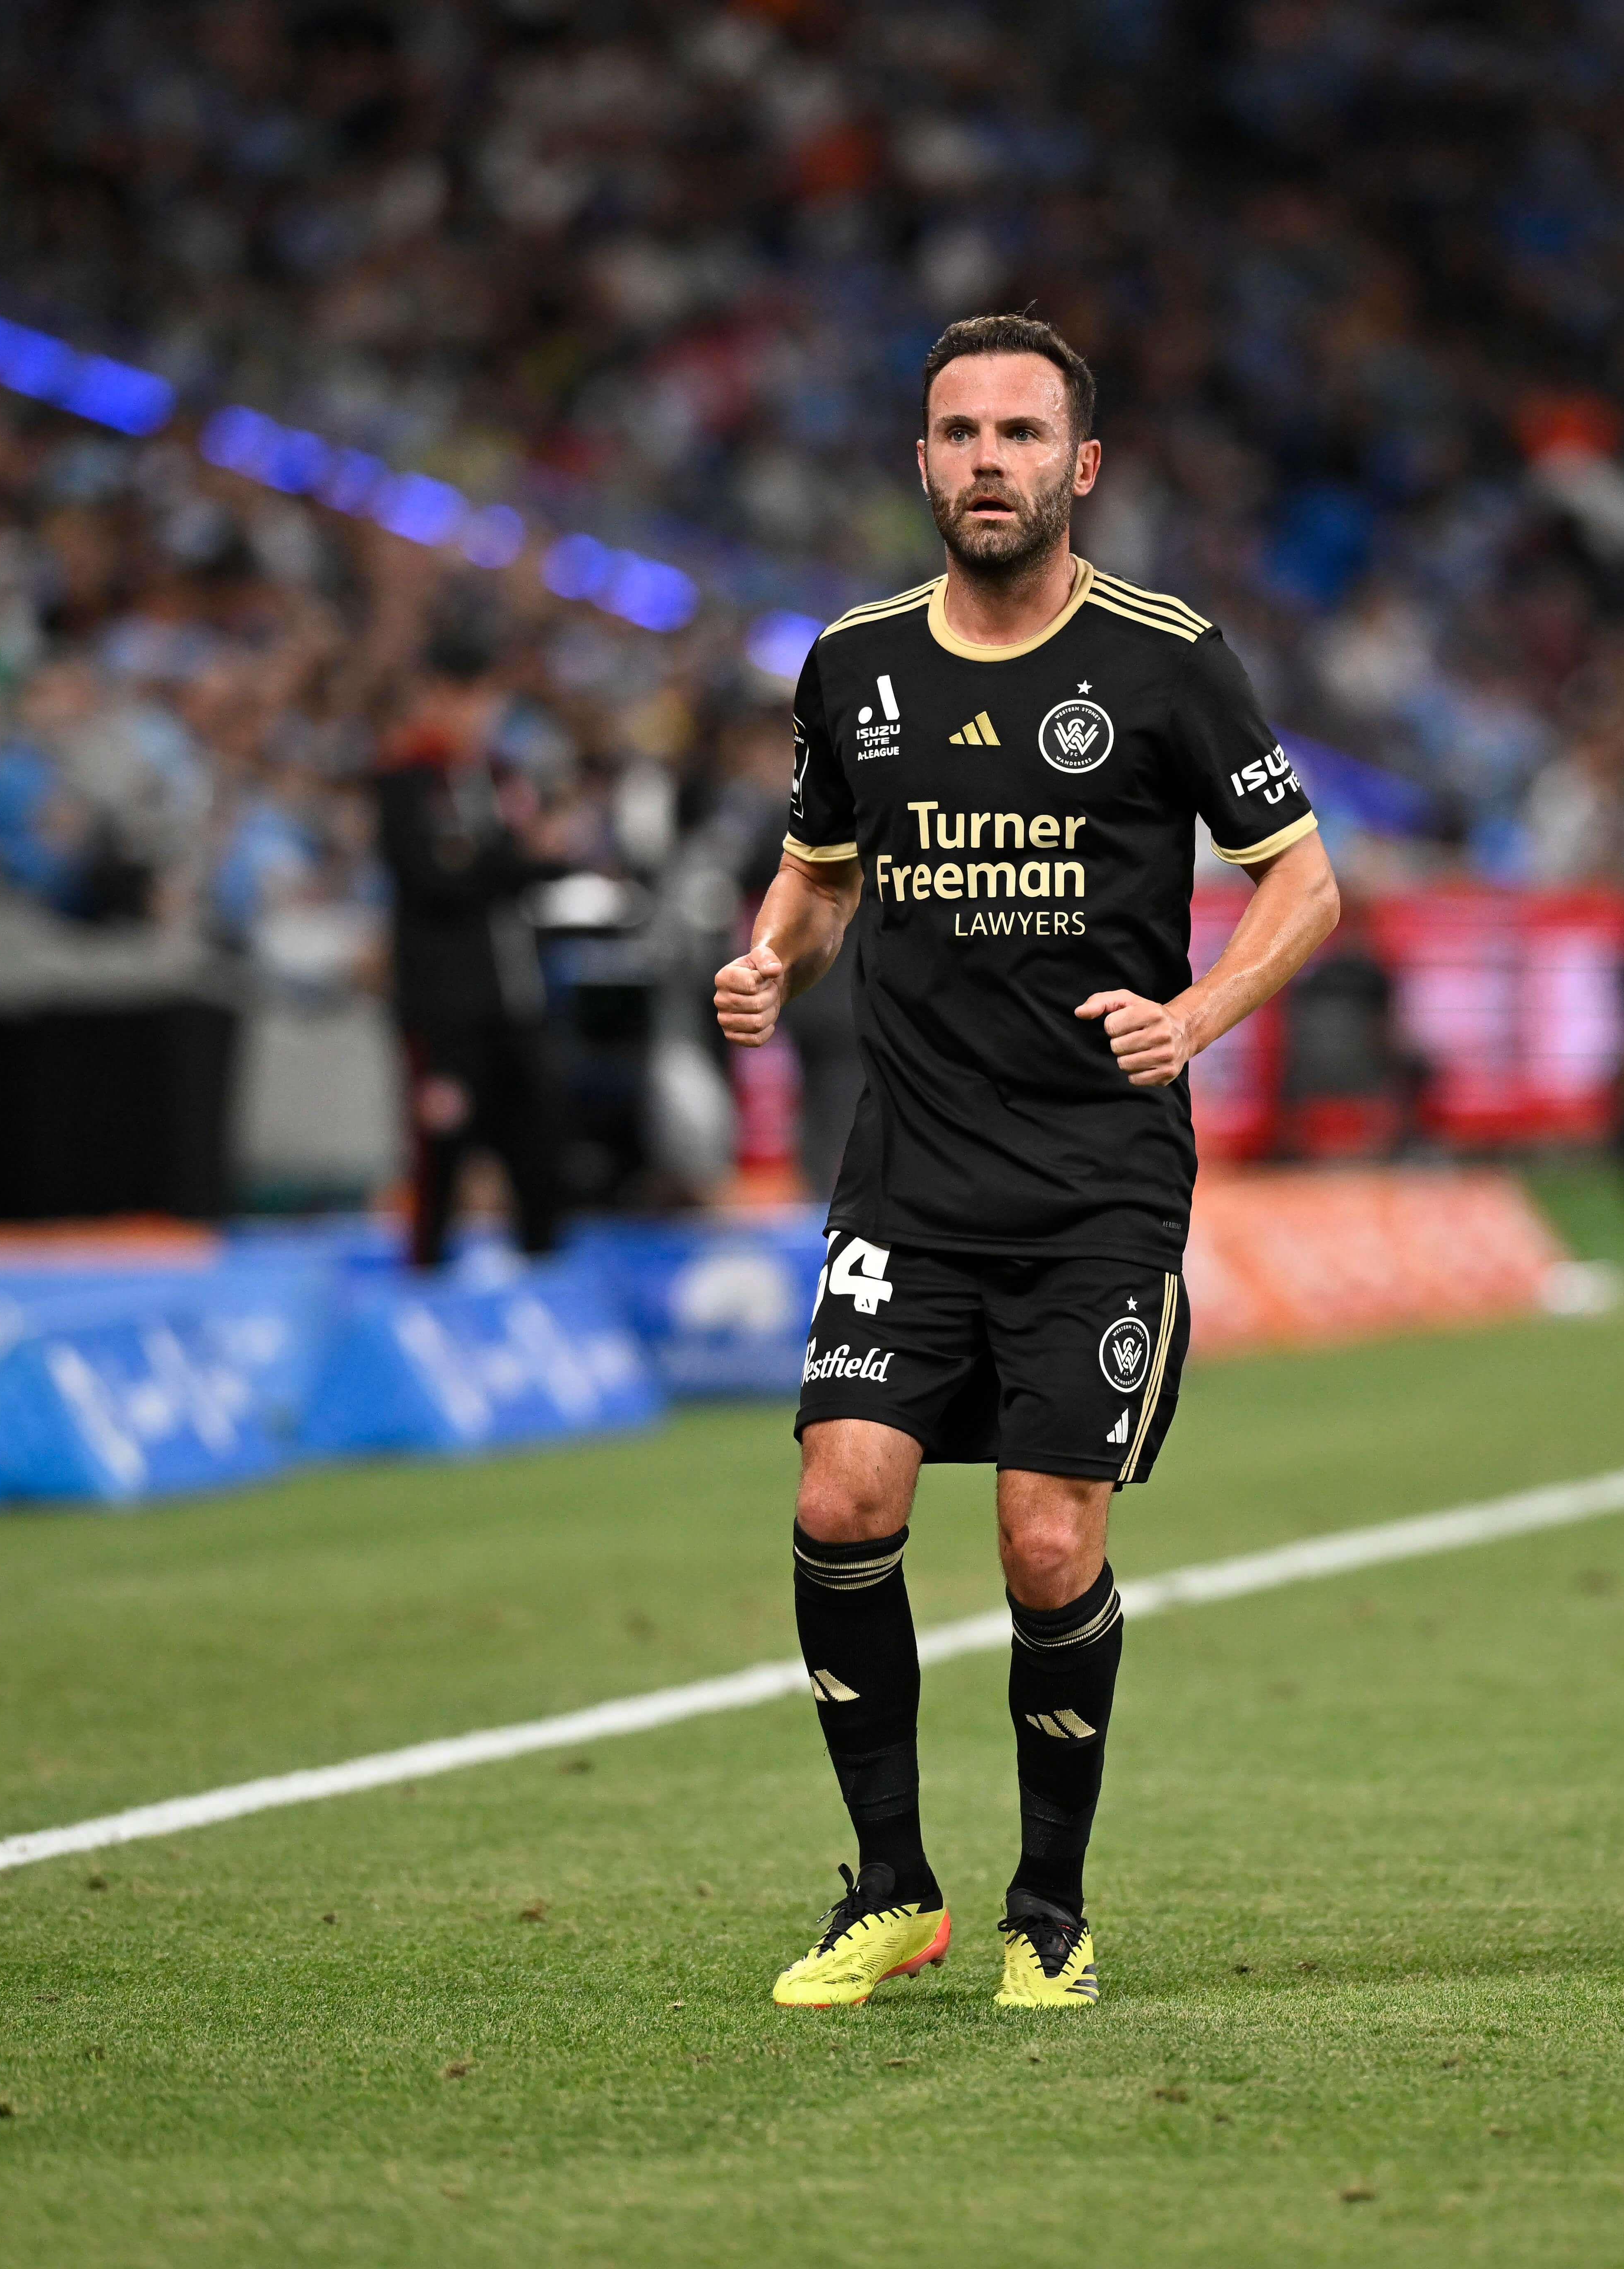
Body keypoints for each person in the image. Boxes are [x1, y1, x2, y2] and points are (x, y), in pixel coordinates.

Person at [713, 314, 1340, 2011]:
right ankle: (889, 1883)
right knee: (842, 1495)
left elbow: (1305, 880)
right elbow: (822, 870)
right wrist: (774, 956)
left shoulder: (1166, 656)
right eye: (958, 433)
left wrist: (1198, 1013)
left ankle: (1047, 1902)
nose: (988, 461)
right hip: (908, 1168)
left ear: (1084, 466)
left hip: (1095, 1183)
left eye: (1019, 433)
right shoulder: (851, 665)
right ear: (921, 463)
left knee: (1047, 1551)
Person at [369, 613, 576, 1267]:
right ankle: (425, 1282)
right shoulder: (407, 782)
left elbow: (539, 861)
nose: (478, 711)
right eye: (464, 693)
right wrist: (515, 859)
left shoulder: (500, 778)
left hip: (517, 999)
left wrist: (505, 860)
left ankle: (544, 1284)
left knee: (540, 1152)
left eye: (487, 695)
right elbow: (435, 878)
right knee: (441, 1161)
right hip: (445, 1008)